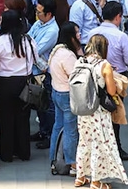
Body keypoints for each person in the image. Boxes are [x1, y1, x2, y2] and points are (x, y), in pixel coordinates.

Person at [74, 34, 128, 189]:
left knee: (84, 142)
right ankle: (96, 181)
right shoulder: (104, 65)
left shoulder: (80, 61)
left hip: (83, 108)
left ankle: (80, 176)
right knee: (100, 144)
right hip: (98, 110)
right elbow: (111, 91)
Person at [0, 9, 38, 162]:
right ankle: (24, 152)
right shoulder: (29, 40)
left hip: (4, 83)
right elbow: (35, 59)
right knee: (23, 119)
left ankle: (6, 153)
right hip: (24, 82)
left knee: (5, 119)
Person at [48, 21, 82, 175]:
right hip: (67, 95)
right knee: (70, 131)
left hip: (57, 92)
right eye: (76, 32)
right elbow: (77, 76)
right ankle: (72, 163)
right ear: (71, 36)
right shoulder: (68, 55)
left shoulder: (56, 51)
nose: (79, 35)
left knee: (57, 127)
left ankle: (54, 159)